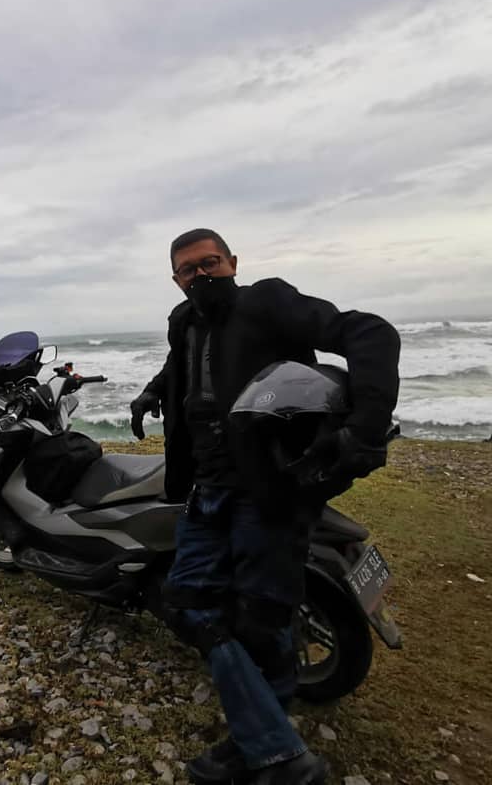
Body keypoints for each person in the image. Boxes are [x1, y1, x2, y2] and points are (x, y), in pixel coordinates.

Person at [130, 229, 400, 785]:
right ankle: (272, 740)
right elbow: (182, 363)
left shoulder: (267, 302)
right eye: (187, 270)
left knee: (262, 614)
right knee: (186, 602)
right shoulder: (183, 321)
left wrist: (365, 429)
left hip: (271, 488)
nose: (200, 276)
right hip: (206, 488)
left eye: (210, 264)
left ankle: (270, 751)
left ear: (232, 262)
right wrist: (155, 391)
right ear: (175, 279)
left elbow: (370, 332)